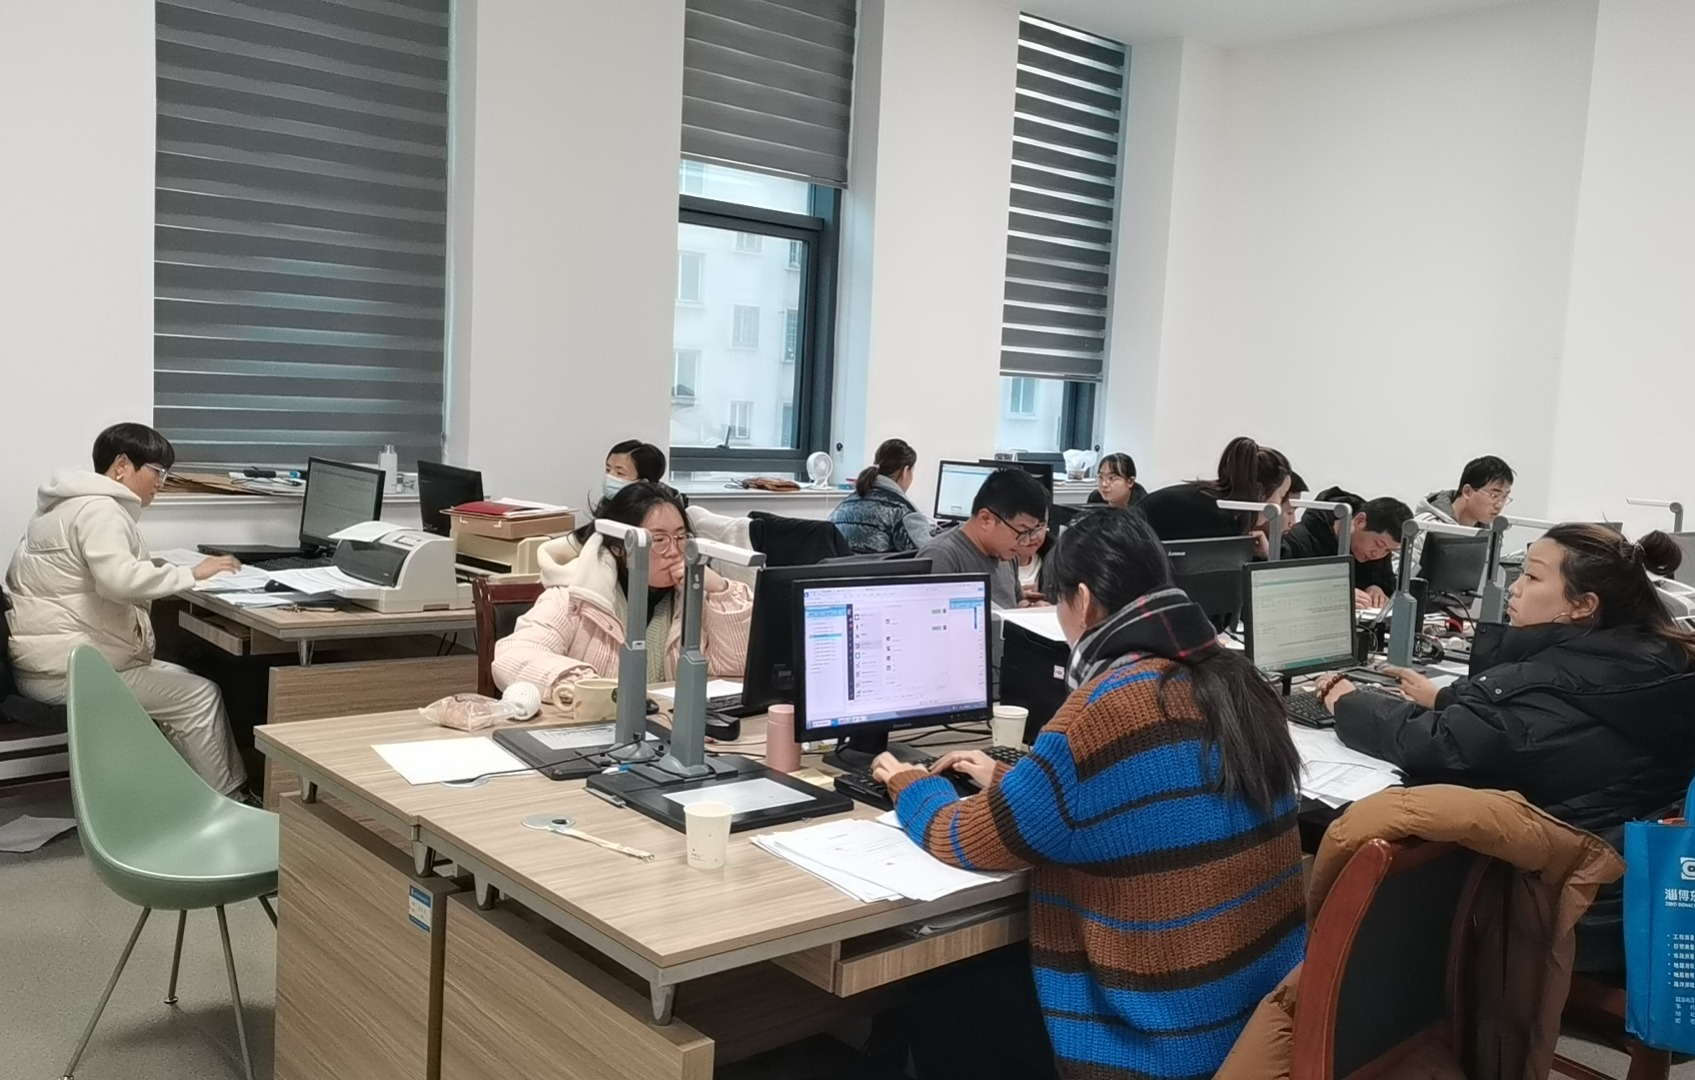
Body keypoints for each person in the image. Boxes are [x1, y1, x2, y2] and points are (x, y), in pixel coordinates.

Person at [872, 509, 1306, 1080]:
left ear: (1081, 600)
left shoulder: (1108, 706)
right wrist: (1011, 780)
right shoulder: (1236, 677)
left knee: (946, 988)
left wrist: (910, 784)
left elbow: (967, 838)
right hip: (1252, 1024)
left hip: (1156, 1046)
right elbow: (1144, 800)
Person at [1317, 524, 1695, 977]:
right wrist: (1445, 698)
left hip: (1562, 913)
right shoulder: (1655, 656)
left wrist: (1347, 702)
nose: (1514, 588)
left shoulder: (1558, 685)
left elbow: (1442, 745)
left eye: (1532, 577)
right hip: (1625, 891)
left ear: (1582, 606)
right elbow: (1529, 721)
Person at [5, 424, 247, 795]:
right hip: (68, 674)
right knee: (199, 696)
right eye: (157, 471)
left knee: (181, 675)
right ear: (121, 466)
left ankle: (184, 793)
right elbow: (118, 582)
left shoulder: (62, 506)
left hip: (44, 665)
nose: (160, 484)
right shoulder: (101, 510)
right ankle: (229, 801)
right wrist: (192, 574)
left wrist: (163, 570)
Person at [493, 482, 752, 695]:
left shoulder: (694, 597)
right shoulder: (575, 597)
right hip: (594, 727)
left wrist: (721, 591)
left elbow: (735, 669)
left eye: (681, 537)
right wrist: (587, 687)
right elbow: (514, 656)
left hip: (670, 727)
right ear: (619, 548)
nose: (674, 551)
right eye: (658, 540)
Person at [1136, 435, 1293, 557]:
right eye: (1281, 496)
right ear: (1260, 492)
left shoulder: (1211, 500)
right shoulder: (1221, 519)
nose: (1280, 505)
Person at [917, 467, 1048, 612]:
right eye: (1021, 531)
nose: (1025, 541)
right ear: (986, 519)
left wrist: (1032, 609)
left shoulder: (1007, 553)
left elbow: (1016, 601)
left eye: (1030, 532)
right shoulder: (942, 557)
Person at [1282, 486, 1413, 608]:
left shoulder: (1380, 550)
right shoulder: (1299, 540)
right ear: (1359, 521)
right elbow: (1287, 590)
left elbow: (1388, 583)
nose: (1377, 554)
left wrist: (1377, 589)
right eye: (1379, 544)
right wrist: (1335, 594)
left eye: (1389, 550)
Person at [828, 438, 932, 554]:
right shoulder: (903, 513)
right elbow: (930, 554)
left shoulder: (841, 508)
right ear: (905, 471)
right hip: (878, 567)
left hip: (843, 567)